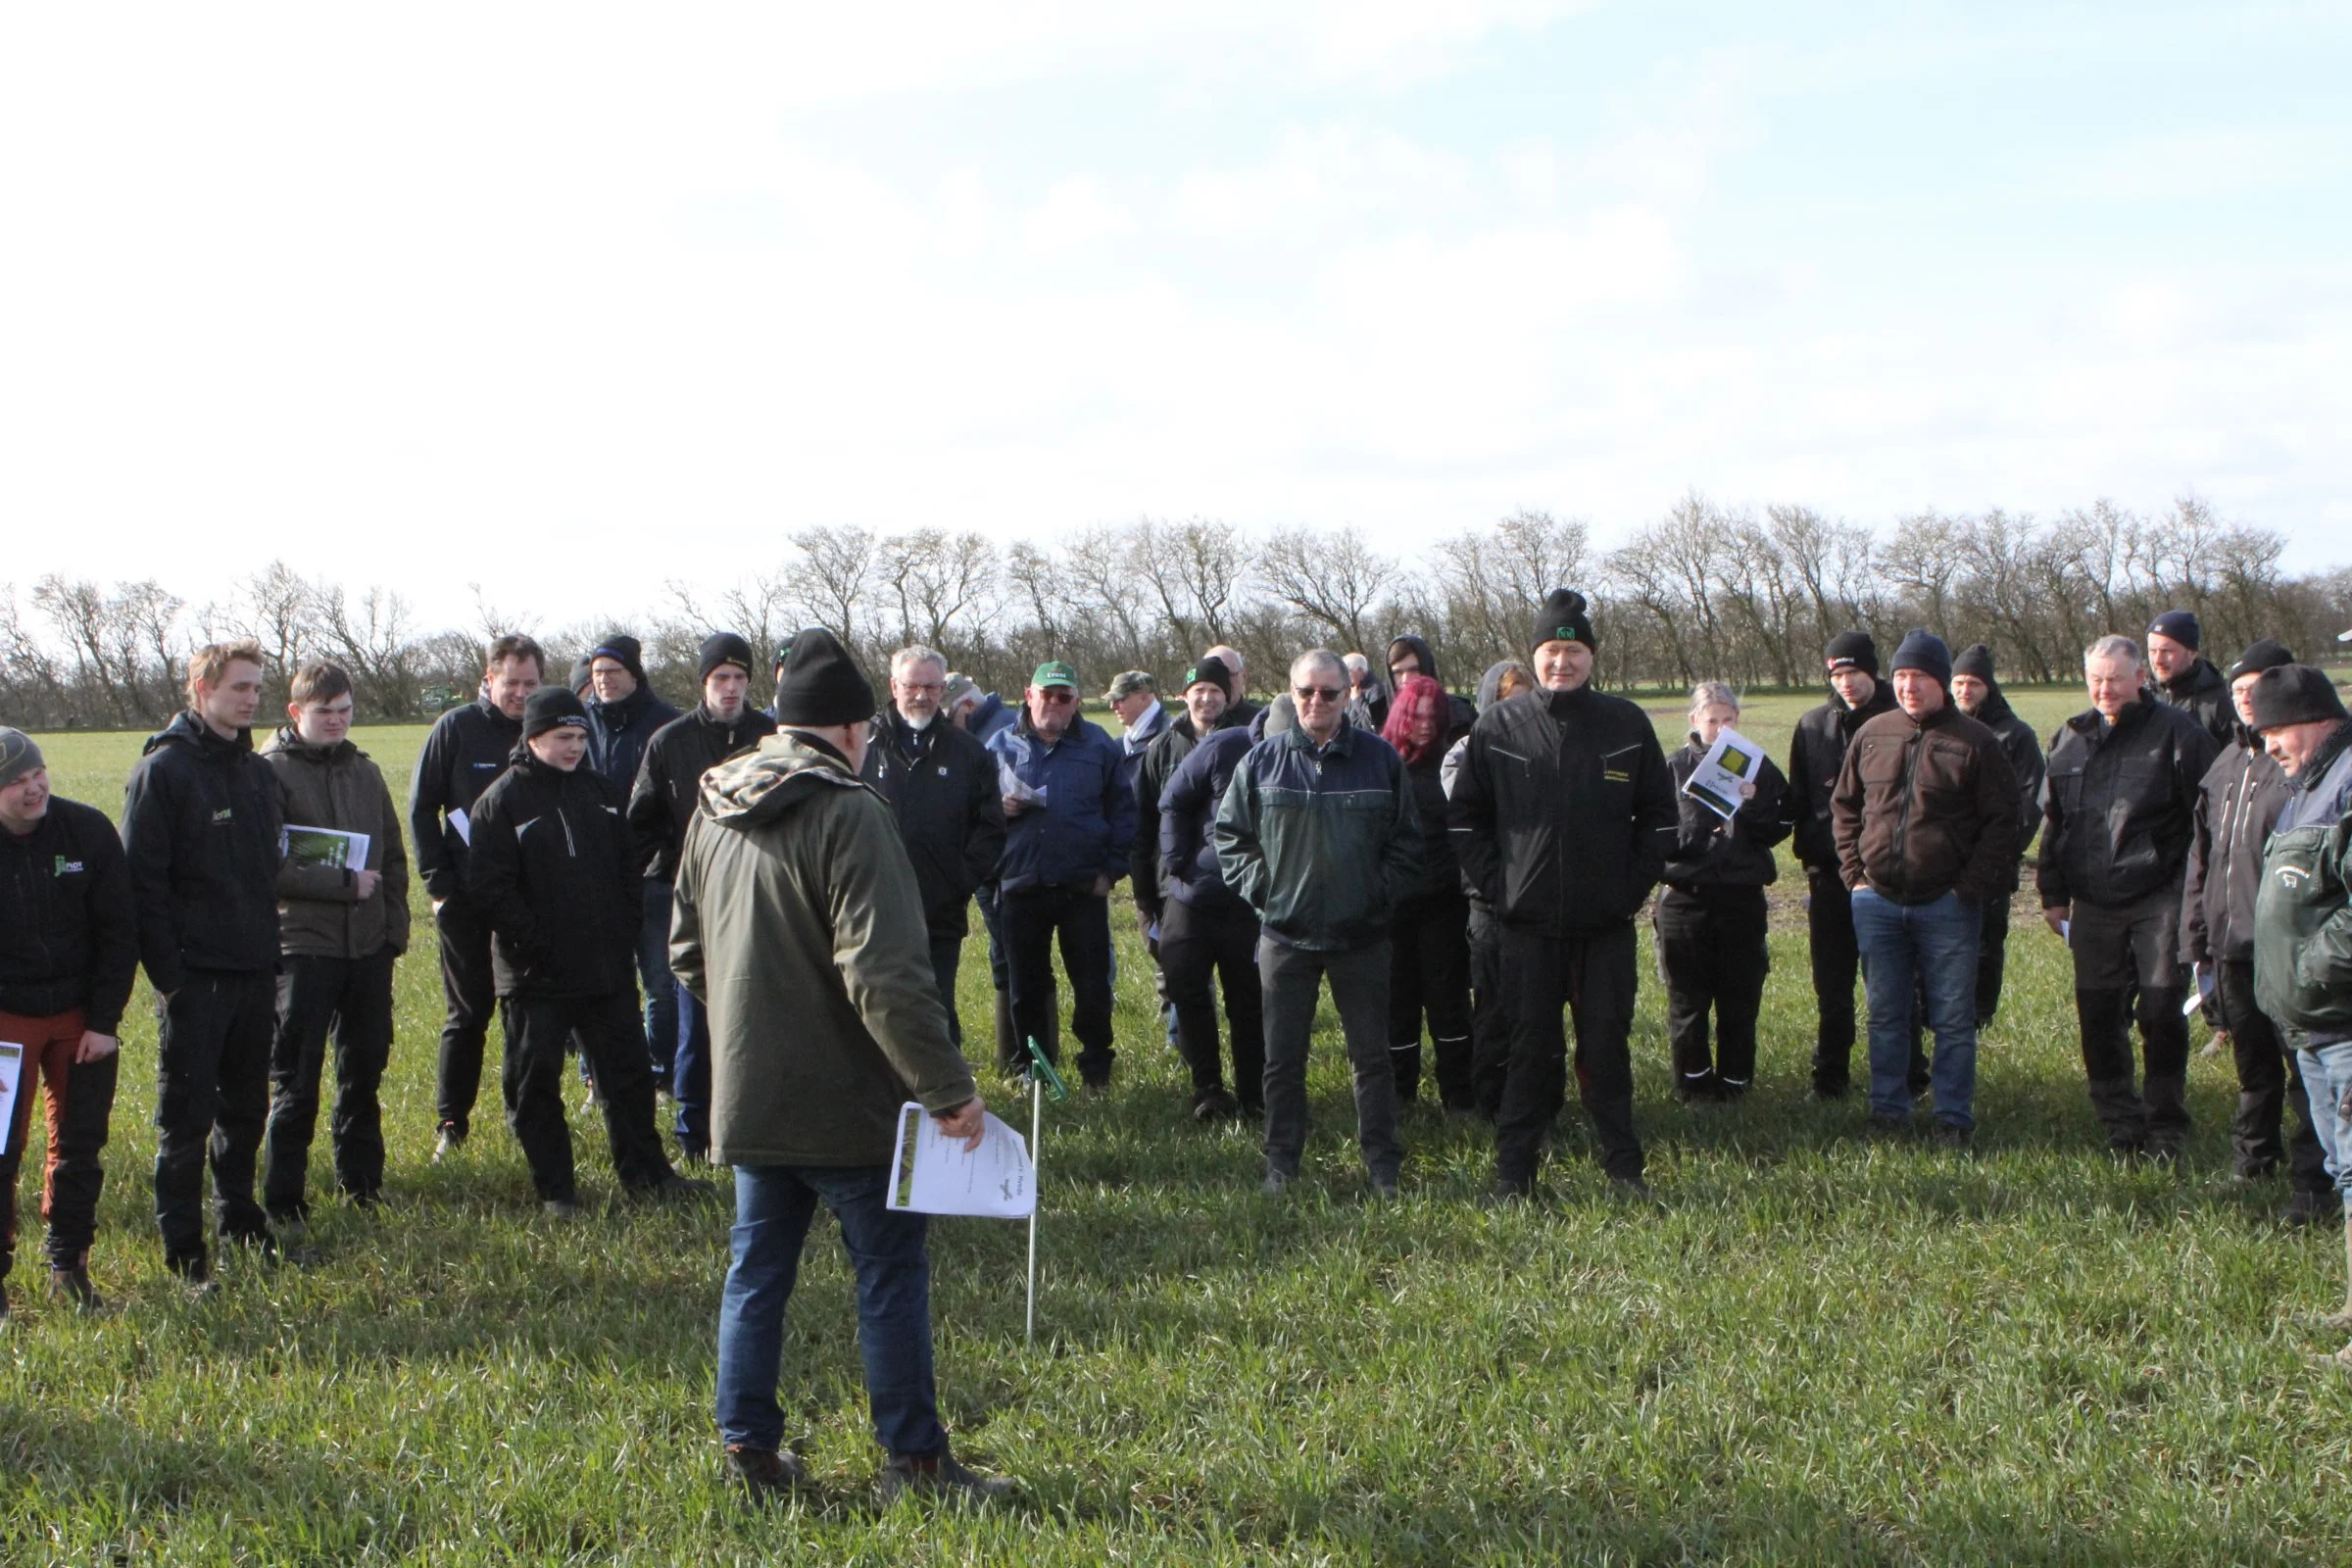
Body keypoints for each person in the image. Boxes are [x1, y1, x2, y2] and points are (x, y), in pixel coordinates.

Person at [671, 627, 1012, 1503]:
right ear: (858, 729)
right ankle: (917, 1462)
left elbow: (685, 951)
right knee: (890, 1276)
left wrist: (757, 1024)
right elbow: (887, 977)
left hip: (749, 1095)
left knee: (757, 1275)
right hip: (852, 1105)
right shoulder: (851, 809)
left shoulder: (712, 804)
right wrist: (948, 1092)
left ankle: (747, 1453)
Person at [1450, 591, 1676, 1199]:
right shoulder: (1500, 726)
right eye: (1552, 650)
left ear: (1592, 657)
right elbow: (1466, 820)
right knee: (1529, 1048)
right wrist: (1502, 889)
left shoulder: (1625, 724)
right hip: (1524, 926)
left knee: (1606, 1044)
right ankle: (1514, 1172)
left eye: (1574, 650)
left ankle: (1624, 1168)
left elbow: (1659, 816)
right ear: (1535, 655)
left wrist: (1629, 889)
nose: (1562, 663)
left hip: (1603, 926)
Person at [466, 687, 704, 1214]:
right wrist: (536, 943)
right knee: (535, 1085)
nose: (574, 747)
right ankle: (558, 1191)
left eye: (579, 736)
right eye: (561, 738)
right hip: (536, 976)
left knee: (629, 1076)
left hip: (605, 968)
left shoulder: (601, 792)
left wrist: (622, 930)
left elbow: (628, 869)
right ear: (532, 739)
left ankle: (648, 1176)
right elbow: (490, 889)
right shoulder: (501, 802)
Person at [1216, 650, 1418, 1198]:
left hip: (1362, 936)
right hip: (1286, 936)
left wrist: (1376, 898)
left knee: (1371, 1060)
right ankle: (1281, 1164)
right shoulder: (1261, 762)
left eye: (1330, 692)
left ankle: (1383, 1167)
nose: (1316, 702)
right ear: (1292, 691)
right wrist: (1270, 895)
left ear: (1350, 695)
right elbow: (1231, 838)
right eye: (1306, 691)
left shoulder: (1380, 761)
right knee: (1282, 1061)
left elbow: (1407, 844)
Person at [122, 640, 287, 1290]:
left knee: (246, 1111)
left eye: (255, 688)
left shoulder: (254, 771)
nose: (250, 699)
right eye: (238, 688)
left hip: (253, 971)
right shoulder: (164, 773)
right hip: (195, 979)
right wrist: (169, 979)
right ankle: (185, 1254)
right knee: (186, 1121)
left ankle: (241, 1224)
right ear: (201, 689)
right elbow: (142, 886)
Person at [1831, 632, 2023, 1146]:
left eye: (1920, 677)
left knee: (1953, 1019)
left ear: (1940, 681)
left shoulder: (1975, 742)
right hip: (1877, 900)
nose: (1909, 686)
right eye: (1901, 677)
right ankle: (1888, 1111)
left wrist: (1969, 887)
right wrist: (1855, 875)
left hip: (1948, 905)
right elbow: (1845, 807)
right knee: (1887, 1014)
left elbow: (2005, 822)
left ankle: (1952, 1118)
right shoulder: (1872, 733)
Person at [2038, 634, 2220, 1160]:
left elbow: (2203, 821)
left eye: (2115, 678)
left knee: (2162, 1009)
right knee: (2097, 1012)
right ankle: (2119, 1119)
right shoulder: (2069, 738)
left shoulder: (2177, 734)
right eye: (2095, 679)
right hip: (2093, 902)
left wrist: (2193, 894)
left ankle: (2166, 1123)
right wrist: (2053, 894)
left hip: (2159, 896)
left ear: (2140, 677)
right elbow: (2055, 825)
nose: (2104, 689)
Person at [2182, 640, 2333, 1214]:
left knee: (2304, 1070)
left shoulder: (2301, 766)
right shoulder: (2225, 763)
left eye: (2258, 690)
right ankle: (2252, 1163)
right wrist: (2194, 932)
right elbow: (2204, 854)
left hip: (2288, 946)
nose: (2246, 700)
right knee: (2253, 1066)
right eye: (2239, 690)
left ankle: (2312, 1181)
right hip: (2231, 941)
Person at [257, 660, 409, 1226]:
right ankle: (284, 1200)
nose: (338, 721)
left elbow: (391, 856)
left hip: (367, 949)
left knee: (363, 1071)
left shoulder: (363, 772)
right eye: (325, 712)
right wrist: (344, 883)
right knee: (295, 1080)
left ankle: (362, 1186)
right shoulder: (267, 772)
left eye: (345, 711)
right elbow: (268, 862)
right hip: (301, 947)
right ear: (296, 712)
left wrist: (393, 932)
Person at [0, 728, 134, 1316]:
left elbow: (118, 931)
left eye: (38, 774)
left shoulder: (87, 830)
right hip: (6, 1018)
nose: (35, 789)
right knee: (0, 1150)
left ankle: (69, 1265)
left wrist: (104, 1021)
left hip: (81, 1018)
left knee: (80, 1145)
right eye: (16, 783)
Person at [629, 633, 777, 1162]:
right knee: (694, 1020)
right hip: (689, 900)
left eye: (739, 679)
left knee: (755, 1017)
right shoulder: (669, 742)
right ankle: (694, 1134)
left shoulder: (770, 736)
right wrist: (669, 871)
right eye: (721, 679)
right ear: (703, 683)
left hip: (758, 897)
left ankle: (758, 1124)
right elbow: (640, 822)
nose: (731, 689)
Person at [2245, 663, 2352, 1363]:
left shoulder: (2346, 785)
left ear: (2316, 720)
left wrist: (2311, 971)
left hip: (2343, 1020)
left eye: (2275, 730)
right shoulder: (2304, 787)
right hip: (2311, 1024)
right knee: (2345, 1171)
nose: (2270, 747)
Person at [410, 634, 543, 1158]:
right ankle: (451, 1123)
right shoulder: (457, 728)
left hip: (524, 900)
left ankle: (522, 1116)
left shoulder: (544, 730)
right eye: (511, 682)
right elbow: (423, 809)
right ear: (487, 681)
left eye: (530, 683)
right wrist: (439, 887)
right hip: (464, 898)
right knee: (467, 1013)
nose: (520, 693)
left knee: (523, 1010)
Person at [1783, 631, 1918, 1101]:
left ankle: (1909, 1074)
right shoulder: (1813, 725)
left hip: (1885, 877)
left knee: (1893, 983)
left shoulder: (1899, 720)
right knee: (1831, 982)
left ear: (1872, 672)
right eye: (1837, 675)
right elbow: (1799, 798)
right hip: (1827, 875)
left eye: (1853, 673)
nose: (1846, 683)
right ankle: (1830, 1075)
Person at [985, 661, 1133, 1088]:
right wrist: (998, 808)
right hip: (1019, 884)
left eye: (1063, 696)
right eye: (1045, 694)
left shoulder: (1100, 746)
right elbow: (973, 813)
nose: (1053, 703)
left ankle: (1096, 1070)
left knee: (1092, 987)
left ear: (1076, 704)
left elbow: (1124, 813)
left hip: (1082, 886)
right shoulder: (999, 745)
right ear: (1028, 696)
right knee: (1025, 989)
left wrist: (1112, 871)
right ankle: (1034, 1070)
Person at [858, 645, 1005, 1053]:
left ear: (944, 689)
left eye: (931, 686)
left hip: (939, 907)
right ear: (893, 686)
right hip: (872, 907)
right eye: (912, 685)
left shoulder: (968, 752)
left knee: (937, 1004)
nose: (921, 695)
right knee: (877, 1007)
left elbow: (990, 828)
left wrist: (960, 879)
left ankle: (946, 1104)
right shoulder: (862, 745)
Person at [1656, 683, 1789, 1102]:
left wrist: (1751, 805)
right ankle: (1693, 1087)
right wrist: (1696, 834)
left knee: (1739, 998)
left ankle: (1735, 1085)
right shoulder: (1674, 767)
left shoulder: (1757, 766)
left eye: (1727, 719)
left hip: (1741, 898)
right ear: (1694, 720)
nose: (1719, 727)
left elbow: (1780, 827)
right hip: (1685, 900)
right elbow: (1653, 831)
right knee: (1687, 1000)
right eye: (1711, 719)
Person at [1158, 684, 1265, 1122]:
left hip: (1251, 901)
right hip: (1195, 893)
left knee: (1249, 999)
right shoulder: (1225, 745)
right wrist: (1179, 862)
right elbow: (1173, 801)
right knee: (1188, 989)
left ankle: (1255, 1094)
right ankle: (1208, 1090)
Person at [582, 634, 682, 1091]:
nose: (603, 681)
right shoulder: (578, 724)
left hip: (652, 875)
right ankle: (595, 1077)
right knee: (599, 980)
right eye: (597, 673)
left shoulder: (665, 726)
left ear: (634, 675)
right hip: (591, 874)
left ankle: (659, 1074)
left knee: (660, 981)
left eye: (612, 672)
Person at [1442, 660, 1536, 1118]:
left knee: (1534, 1012)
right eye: (1506, 702)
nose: (1516, 711)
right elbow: (1469, 820)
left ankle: (1536, 1100)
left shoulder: (1545, 745)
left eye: (1525, 701)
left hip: (1538, 899)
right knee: (1493, 1006)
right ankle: (1489, 1100)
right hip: (1490, 897)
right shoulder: (1465, 751)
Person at [1380, 673, 1474, 1109]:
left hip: (1443, 902)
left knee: (1447, 999)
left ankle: (1457, 1093)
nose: (1423, 724)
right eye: (1415, 715)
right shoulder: (1384, 766)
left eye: (1431, 716)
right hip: (1394, 905)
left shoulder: (1453, 763)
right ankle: (1401, 1094)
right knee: (1398, 1002)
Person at [1946, 645, 2046, 1027]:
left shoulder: (2016, 735)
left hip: (1993, 864)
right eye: (1958, 683)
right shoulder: (1944, 727)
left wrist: (1996, 851)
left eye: (1973, 683)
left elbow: (2030, 801)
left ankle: (1981, 1015)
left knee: (1987, 944)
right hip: (1945, 862)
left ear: (1989, 687)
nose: (1965, 691)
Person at [2145, 610, 2236, 750]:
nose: (2157, 660)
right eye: (2152, 650)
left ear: (2192, 653)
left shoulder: (2221, 704)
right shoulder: (2143, 698)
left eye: (2167, 651)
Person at [1384, 634, 1476, 748]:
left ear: (1426, 668)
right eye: (1398, 672)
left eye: (1414, 670)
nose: (1406, 680)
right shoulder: (1380, 718)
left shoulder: (1459, 718)